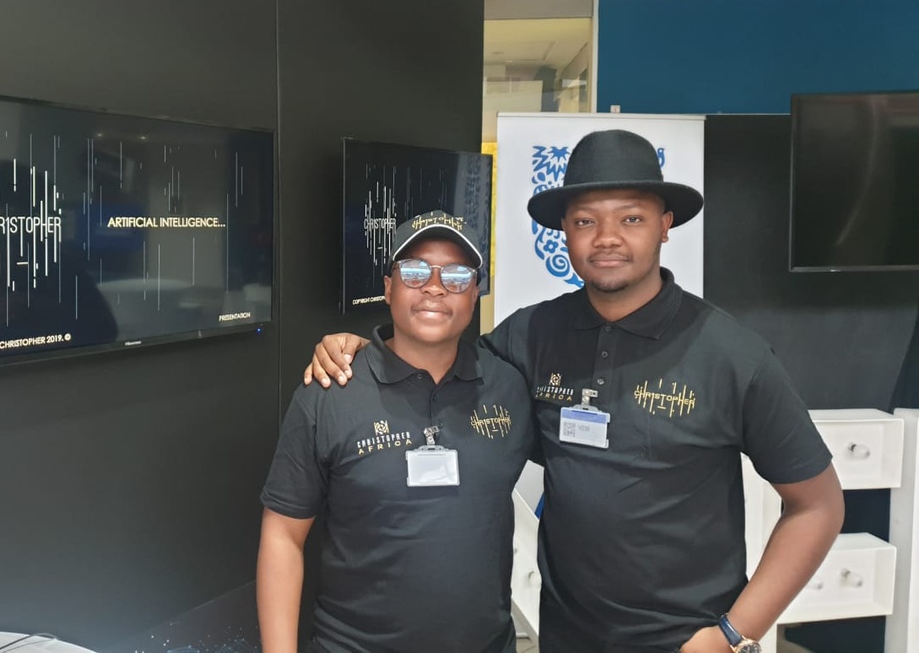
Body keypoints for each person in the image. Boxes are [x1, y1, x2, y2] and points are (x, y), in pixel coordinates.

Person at [305, 130, 845, 653]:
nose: (606, 237)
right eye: (586, 220)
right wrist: (363, 350)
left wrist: (732, 635)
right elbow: (437, 363)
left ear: (665, 225)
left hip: (689, 639)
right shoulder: (530, 335)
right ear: (564, 231)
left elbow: (818, 507)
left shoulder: (732, 355)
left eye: (631, 218)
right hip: (566, 635)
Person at [257, 211, 535, 653]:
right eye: (415, 271)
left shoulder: (510, 387)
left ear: (475, 293)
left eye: (457, 275)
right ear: (388, 287)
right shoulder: (331, 391)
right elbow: (283, 537)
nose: (435, 287)